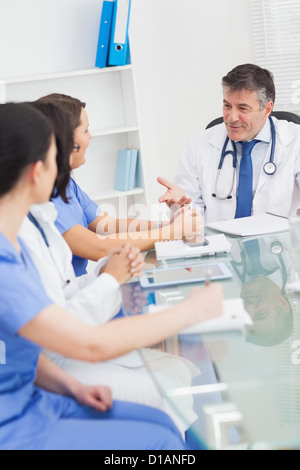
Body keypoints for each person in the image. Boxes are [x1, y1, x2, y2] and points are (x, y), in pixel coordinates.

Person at [0, 103, 223, 450]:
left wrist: (168, 229)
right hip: (18, 419)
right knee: (161, 435)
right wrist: (192, 310)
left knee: (162, 422)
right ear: (35, 171)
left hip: (39, 387)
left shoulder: (21, 234)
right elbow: (85, 342)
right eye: (54, 154)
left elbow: (21, 344)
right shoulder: (8, 256)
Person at [38, 93, 201, 276]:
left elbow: (107, 225)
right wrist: (173, 231)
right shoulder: (42, 196)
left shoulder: (66, 183)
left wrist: (165, 226)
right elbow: (98, 247)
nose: (90, 137)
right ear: (65, 140)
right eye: (85, 131)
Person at [158, 64, 300, 223]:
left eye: (243, 108)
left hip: (279, 244)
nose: (231, 117)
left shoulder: (296, 141)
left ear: (267, 109)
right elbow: (190, 222)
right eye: (227, 105)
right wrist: (179, 208)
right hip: (219, 243)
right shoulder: (198, 145)